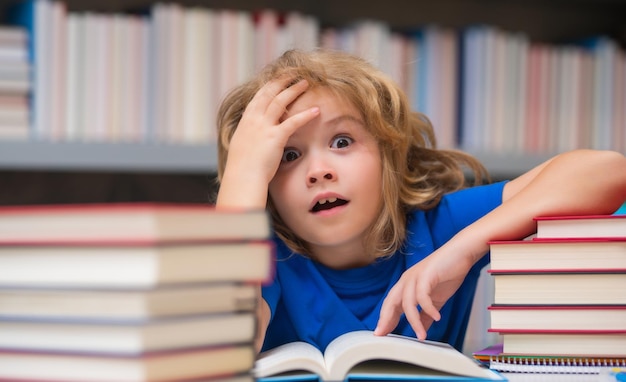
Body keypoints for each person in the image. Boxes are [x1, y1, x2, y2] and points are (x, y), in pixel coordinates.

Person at [214, 48, 626, 353]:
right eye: (288, 155)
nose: (318, 170)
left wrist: (463, 250)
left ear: (388, 158)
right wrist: (241, 178)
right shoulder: (263, 255)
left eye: (342, 141)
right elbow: (217, 345)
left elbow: (607, 171)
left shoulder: (438, 227)